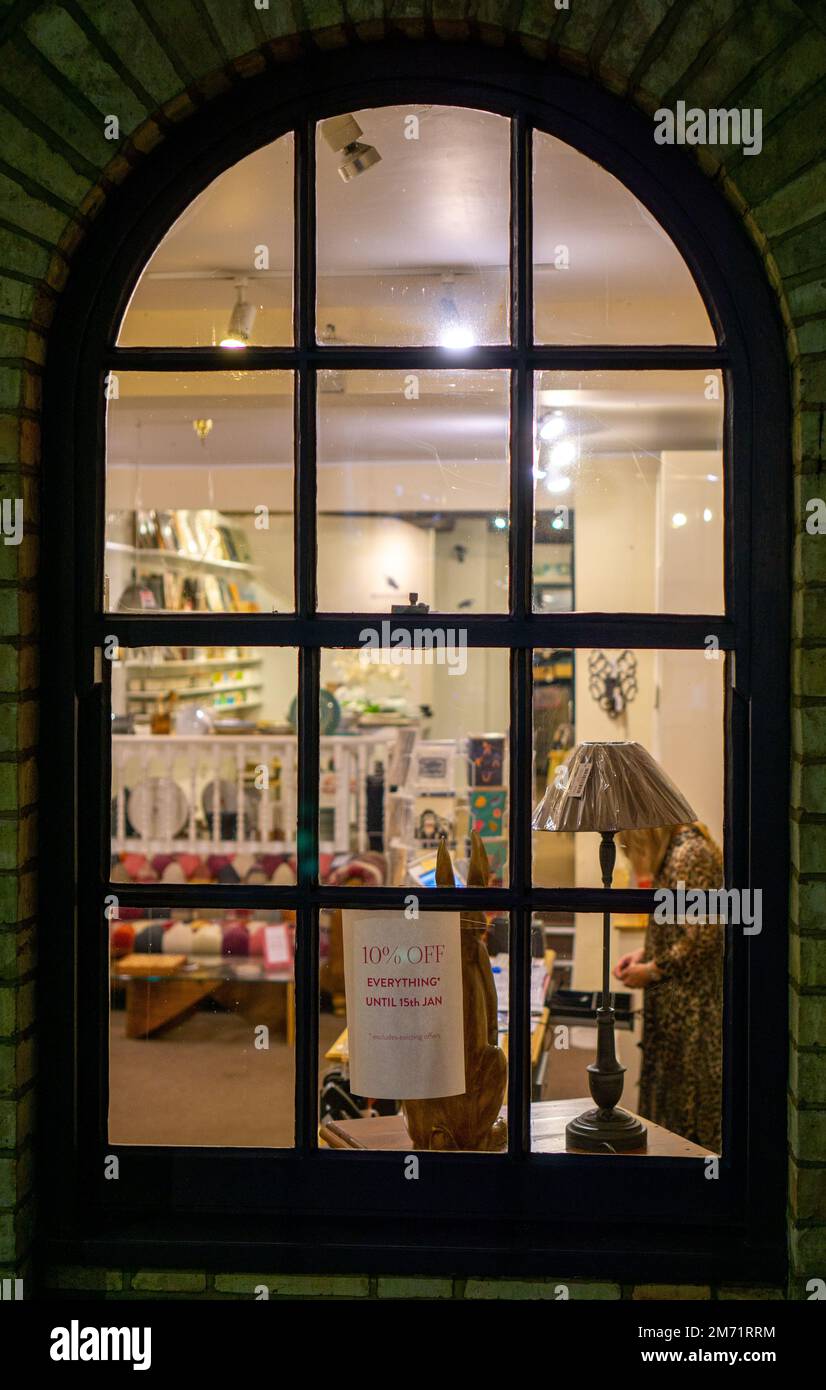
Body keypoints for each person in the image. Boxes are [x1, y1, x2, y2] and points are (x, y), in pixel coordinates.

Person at [614, 822, 724, 1153]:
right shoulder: (680, 853)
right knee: (673, 1114)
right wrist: (645, 953)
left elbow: (704, 936)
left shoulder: (688, 856)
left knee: (687, 1119)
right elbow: (676, 924)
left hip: (693, 1015)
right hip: (682, 1010)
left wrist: (653, 970)